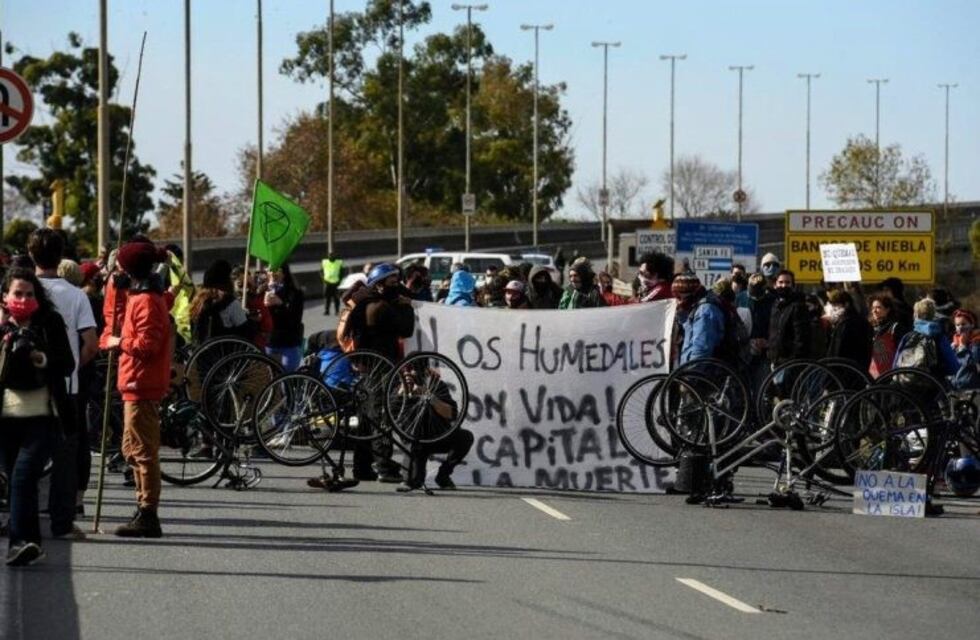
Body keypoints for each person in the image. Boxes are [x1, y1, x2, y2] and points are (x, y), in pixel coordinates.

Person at [0, 268, 76, 566]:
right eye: (17, 294)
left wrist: (39, 356)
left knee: (23, 475)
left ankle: (18, 541)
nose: (23, 299)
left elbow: (67, 364)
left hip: (42, 415)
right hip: (5, 417)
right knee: (21, 482)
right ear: (5, 296)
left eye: (29, 294)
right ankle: (31, 543)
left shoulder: (49, 322)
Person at [29, 229, 98, 540]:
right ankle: (62, 521)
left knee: (22, 458)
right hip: (65, 387)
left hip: (23, 387)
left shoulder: (19, 291)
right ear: (62, 257)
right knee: (64, 458)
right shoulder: (76, 295)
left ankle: (19, 519)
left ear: (31, 255)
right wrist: (70, 367)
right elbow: (90, 344)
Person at [103, 241, 172, 538]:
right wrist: (116, 291)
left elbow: (147, 345)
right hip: (135, 380)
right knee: (131, 448)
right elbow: (115, 319)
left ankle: (148, 512)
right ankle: (143, 508)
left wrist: (120, 343)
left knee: (143, 451)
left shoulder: (147, 300)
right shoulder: (139, 295)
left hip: (142, 381)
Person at [341, 263, 414, 482]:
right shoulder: (380, 308)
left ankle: (362, 468)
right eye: (393, 283)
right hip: (380, 367)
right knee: (381, 416)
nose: (397, 286)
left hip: (368, 366)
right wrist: (407, 306)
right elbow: (406, 329)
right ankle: (384, 467)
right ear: (380, 285)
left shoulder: (368, 302)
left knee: (367, 418)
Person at [395, 368, 474, 493]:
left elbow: (451, 414)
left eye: (415, 370)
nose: (412, 374)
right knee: (413, 481)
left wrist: (429, 396)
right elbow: (389, 417)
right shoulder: (398, 386)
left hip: (437, 435)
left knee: (465, 437)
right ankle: (412, 475)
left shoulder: (436, 385)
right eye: (409, 371)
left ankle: (443, 475)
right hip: (414, 440)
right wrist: (401, 393)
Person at [190, 260, 255, 343]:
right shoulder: (229, 302)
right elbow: (245, 331)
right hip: (226, 349)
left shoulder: (198, 301)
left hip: (201, 348)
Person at [893, 298, 959, 379]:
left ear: (916, 316)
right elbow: (954, 367)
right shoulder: (940, 337)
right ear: (934, 315)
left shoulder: (907, 337)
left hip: (906, 386)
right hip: (933, 386)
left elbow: (895, 366)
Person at [671, 273, 726, 365]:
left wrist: (687, 375)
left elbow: (701, 350)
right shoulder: (694, 307)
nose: (677, 301)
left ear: (687, 294)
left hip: (703, 374)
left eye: (678, 296)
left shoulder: (704, 311)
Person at [264, 263, 305, 372]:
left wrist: (281, 303)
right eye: (270, 270)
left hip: (289, 342)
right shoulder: (263, 291)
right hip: (271, 342)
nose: (273, 273)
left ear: (284, 273)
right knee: (272, 379)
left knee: (287, 377)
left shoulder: (295, 292)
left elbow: (296, 318)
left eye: (277, 270)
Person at [767, 269, 810, 368]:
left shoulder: (798, 306)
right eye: (781, 282)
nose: (784, 285)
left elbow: (801, 337)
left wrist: (794, 359)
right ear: (775, 285)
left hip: (790, 362)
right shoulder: (775, 305)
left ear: (793, 285)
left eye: (787, 282)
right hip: (774, 359)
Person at [824, 289, 873, 371]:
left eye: (836, 305)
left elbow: (837, 350)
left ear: (846, 304)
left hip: (844, 368)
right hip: (856, 368)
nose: (833, 308)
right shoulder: (855, 319)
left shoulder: (846, 322)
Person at [868, 294, 901, 379]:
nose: (874, 311)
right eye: (873, 308)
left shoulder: (895, 328)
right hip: (872, 376)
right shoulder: (869, 328)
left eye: (878, 307)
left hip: (890, 375)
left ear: (887, 309)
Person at [951, 309, 980, 390]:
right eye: (957, 325)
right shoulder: (955, 341)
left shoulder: (977, 341)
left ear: (972, 324)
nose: (960, 327)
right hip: (957, 384)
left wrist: (962, 346)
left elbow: (971, 362)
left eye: (963, 324)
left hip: (970, 384)